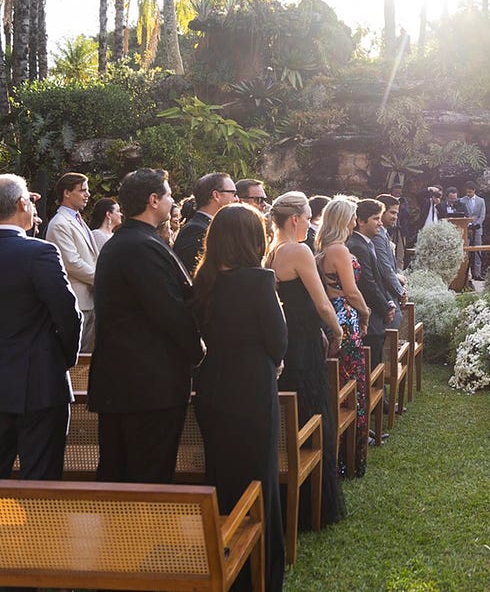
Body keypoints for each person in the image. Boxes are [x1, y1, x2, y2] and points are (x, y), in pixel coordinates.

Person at [0, 174, 82, 480]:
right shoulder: (39, 252)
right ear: (22, 203)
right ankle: (39, 529)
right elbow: (67, 313)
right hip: (40, 379)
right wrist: (63, 359)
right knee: (41, 475)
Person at [190, 203, 286, 590]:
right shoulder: (259, 280)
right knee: (258, 480)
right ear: (252, 239)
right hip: (251, 390)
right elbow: (278, 341)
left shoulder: (203, 280)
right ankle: (259, 572)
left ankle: (224, 562)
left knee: (222, 476)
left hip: (212, 388)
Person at [89, 168, 205, 484]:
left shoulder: (124, 243)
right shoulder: (140, 246)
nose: (172, 201)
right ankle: (142, 534)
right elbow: (169, 311)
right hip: (147, 385)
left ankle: (121, 532)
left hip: (126, 381)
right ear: (153, 200)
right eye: (168, 195)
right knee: (147, 474)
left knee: (119, 471)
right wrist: (198, 352)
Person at [267, 191, 347, 529]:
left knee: (290, 422)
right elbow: (322, 303)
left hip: (287, 344)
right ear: (297, 219)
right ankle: (316, 506)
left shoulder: (270, 252)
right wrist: (337, 331)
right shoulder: (298, 250)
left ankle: (290, 503)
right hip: (305, 343)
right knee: (314, 414)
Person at [317, 196, 371, 476]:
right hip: (345, 318)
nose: (355, 220)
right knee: (352, 382)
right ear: (343, 219)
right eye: (352, 215)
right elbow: (350, 291)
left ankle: (345, 456)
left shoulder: (327, 247)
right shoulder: (338, 249)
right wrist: (365, 312)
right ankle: (348, 460)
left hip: (339, 314)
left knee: (345, 381)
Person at [44, 172, 99, 354]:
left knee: (84, 357)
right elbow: (71, 262)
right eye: (82, 190)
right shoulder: (59, 223)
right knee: (75, 358)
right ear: (66, 193)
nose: (87, 194)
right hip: (76, 300)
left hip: (87, 300)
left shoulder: (77, 219)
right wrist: (101, 278)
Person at [349, 199, 394, 373]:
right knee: (372, 368)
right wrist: (384, 308)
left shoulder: (366, 243)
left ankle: (380, 396)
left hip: (376, 313)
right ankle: (376, 397)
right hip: (369, 314)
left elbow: (379, 279)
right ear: (361, 221)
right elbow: (367, 284)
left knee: (376, 365)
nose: (380, 223)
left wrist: (388, 302)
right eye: (376, 218)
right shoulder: (357, 245)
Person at [174, 172, 238, 273]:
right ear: (216, 195)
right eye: (233, 193)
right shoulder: (196, 230)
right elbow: (194, 275)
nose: (237, 199)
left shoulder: (208, 226)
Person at [374, 194, 407, 314]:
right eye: (392, 213)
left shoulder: (383, 232)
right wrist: (401, 291)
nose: (395, 217)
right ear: (381, 212)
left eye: (397, 214)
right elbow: (385, 267)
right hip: (385, 295)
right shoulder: (377, 236)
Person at [460, 183, 487, 280]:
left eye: (470, 192)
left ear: (474, 190)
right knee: (465, 250)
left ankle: (477, 273)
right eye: (467, 192)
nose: (468, 193)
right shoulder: (461, 200)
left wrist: (477, 224)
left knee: (477, 250)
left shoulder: (481, 201)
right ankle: (465, 274)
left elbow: (482, 215)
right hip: (466, 228)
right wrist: (467, 224)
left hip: (477, 228)